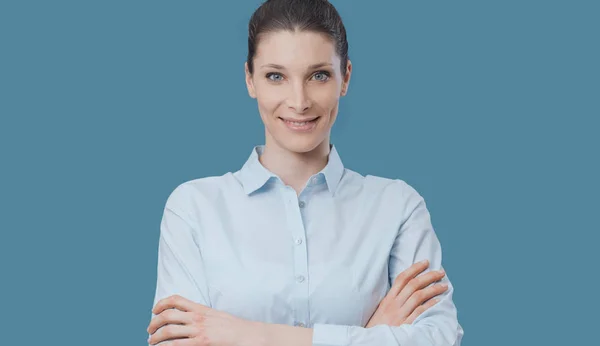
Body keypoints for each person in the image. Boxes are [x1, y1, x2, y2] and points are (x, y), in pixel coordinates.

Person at [146, 0, 464, 345]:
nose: (299, 101)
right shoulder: (193, 209)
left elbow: (438, 339)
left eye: (319, 75)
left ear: (345, 78)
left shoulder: (398, 208)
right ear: (250, 80)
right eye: (276, 76)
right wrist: (369, 335)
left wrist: (249, 334)